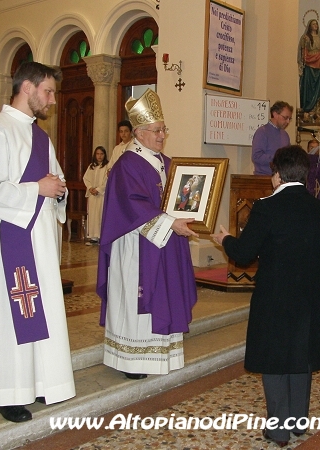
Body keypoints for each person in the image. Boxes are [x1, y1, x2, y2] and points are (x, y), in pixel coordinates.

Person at [0, 61, 75, 422]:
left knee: (42, 312)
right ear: (27, 88)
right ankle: (9, 393)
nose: (52, 100)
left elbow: (55, 180)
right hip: (16, 240)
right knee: (14, 316)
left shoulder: (40, 137)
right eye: (47, 92)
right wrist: (37, 188)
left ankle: (42, 382)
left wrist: (58, 191)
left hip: (42, 241)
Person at [212, 145, 320, 446]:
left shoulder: (266, 207)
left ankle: (278, 430)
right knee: (301, 355)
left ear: (276, 175)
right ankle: (299, 422)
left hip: (276, 296)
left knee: (276, 357)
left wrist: (224, 238)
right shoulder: (319, 208)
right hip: (310, 295)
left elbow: (243, 254)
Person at [97, 88, 198, 380]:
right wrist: (169, 223)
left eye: (164, 129)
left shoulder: (166, 162)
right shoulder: (127, 164)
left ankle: (162, 353)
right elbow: (130, 205)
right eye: (157, 130)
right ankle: (133, 359)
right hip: (137, 245)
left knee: (165, 291)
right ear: (139, 133)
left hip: (164, 241)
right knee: (137, 296)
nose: (162, 135)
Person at [251, 101, 292, 175]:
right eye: (285, 118)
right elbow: (256, 157)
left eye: (289, 119)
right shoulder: (262, 132)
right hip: (264, 178)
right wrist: (277, 158)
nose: (288, 121)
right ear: (275, 114)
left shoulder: (285, 135)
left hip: (282, 179)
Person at [83, 145, 108, 244]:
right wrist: (90, 188)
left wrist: (98, 189)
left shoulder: (107, 166)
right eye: (97, 154)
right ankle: (93, 237)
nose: (99, 156)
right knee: (92, 215)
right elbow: (86, 178)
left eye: (101, 154)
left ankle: (101, 236)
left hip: (101, 195)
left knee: (100, 214)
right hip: (92, 195)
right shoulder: (91, 166)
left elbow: (107, 181)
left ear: (104, 155)